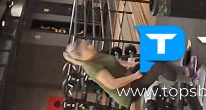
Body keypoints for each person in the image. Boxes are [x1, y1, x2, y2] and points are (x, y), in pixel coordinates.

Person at [63, 39, 198, 110]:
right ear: (82, 58)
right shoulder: (91, 67)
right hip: (127, 92)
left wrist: (131, 64)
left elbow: (114, 60)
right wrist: (134, 75)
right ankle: (189, 79)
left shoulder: (94, 56)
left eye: (87, 44)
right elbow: (112, 84)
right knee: (158, 67)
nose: (90, 46)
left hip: (128, 77)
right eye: (86, 48)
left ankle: (185, 71)